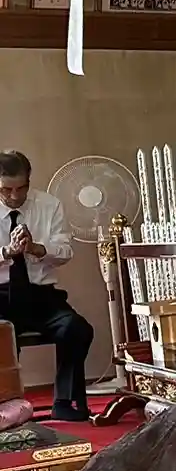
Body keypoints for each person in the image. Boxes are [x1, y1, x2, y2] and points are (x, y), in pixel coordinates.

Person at [0, 150, 93, 420]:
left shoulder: (49, 205)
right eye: (6, 190)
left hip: (41, 297)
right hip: (1, 297)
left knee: (76, 329)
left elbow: (65, 251)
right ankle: (7, 406)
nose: (15, 196)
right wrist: (7, 252)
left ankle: (64, 401)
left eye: (21, 188)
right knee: (1, 337)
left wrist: (36, 248)